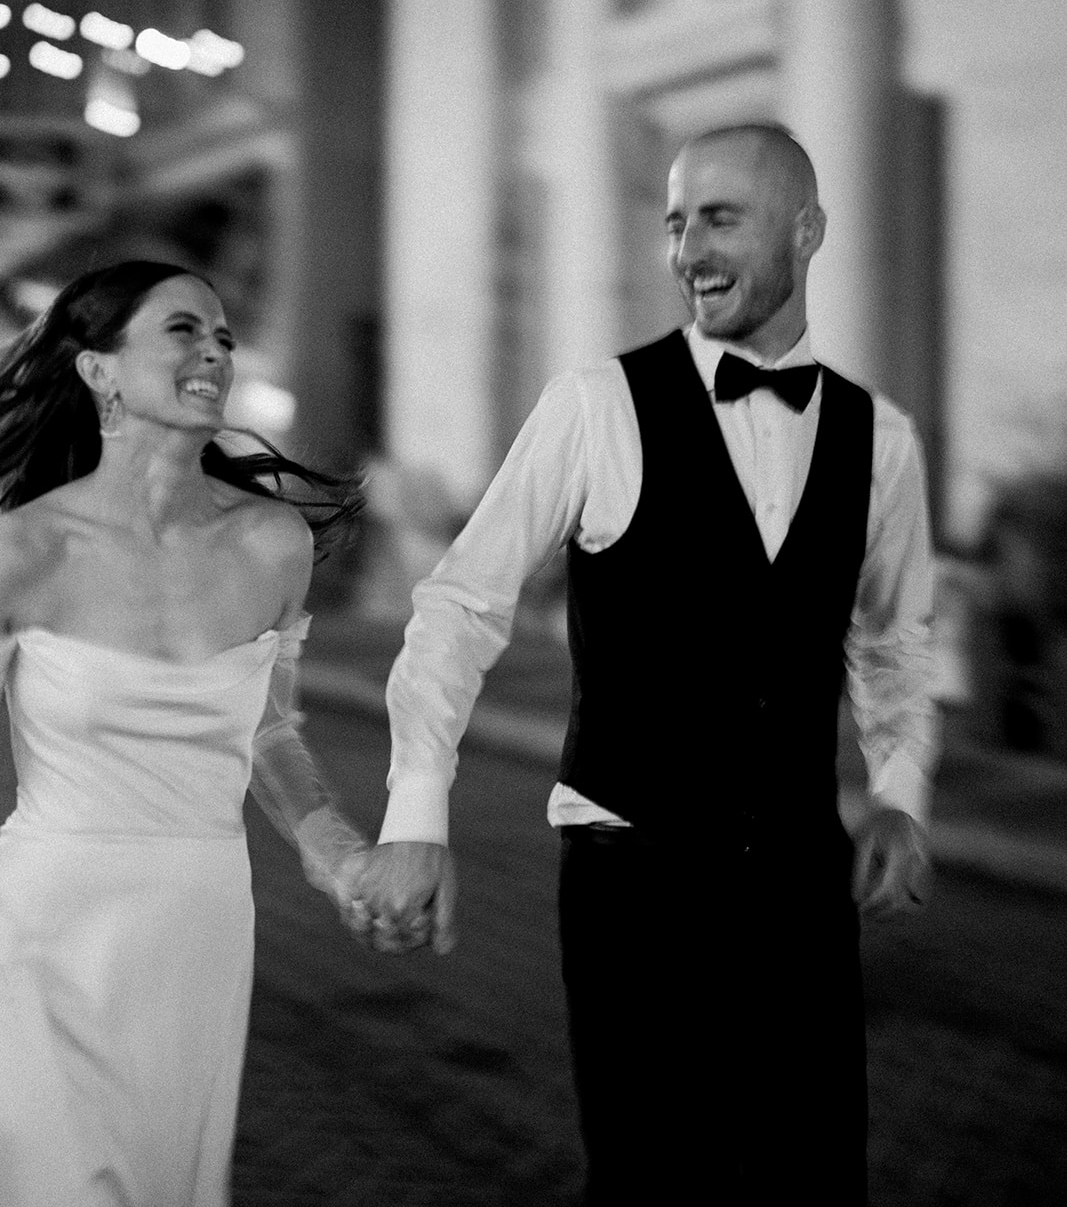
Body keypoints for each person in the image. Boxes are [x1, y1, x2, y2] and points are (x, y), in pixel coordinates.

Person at [353, 123, 938, 1205]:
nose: (685, 250)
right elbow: (459, 604)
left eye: (718, 216)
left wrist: (898, 790)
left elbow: (891, 636)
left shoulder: (879, 440)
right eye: (672, 222)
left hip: (802, 881)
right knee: (652, 1181)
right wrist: (414, 814)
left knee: (815, 1171)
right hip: (634, 878)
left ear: (806, 229)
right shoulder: (594, 404)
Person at [0, 260, 372, 1207]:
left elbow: (271, 729)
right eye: (182, 331)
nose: (214, 351)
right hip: (46, 921)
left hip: (200, 919)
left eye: (224, 338)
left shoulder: (272, 541)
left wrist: (334, 848)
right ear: (99, 372)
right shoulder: (24, 549)